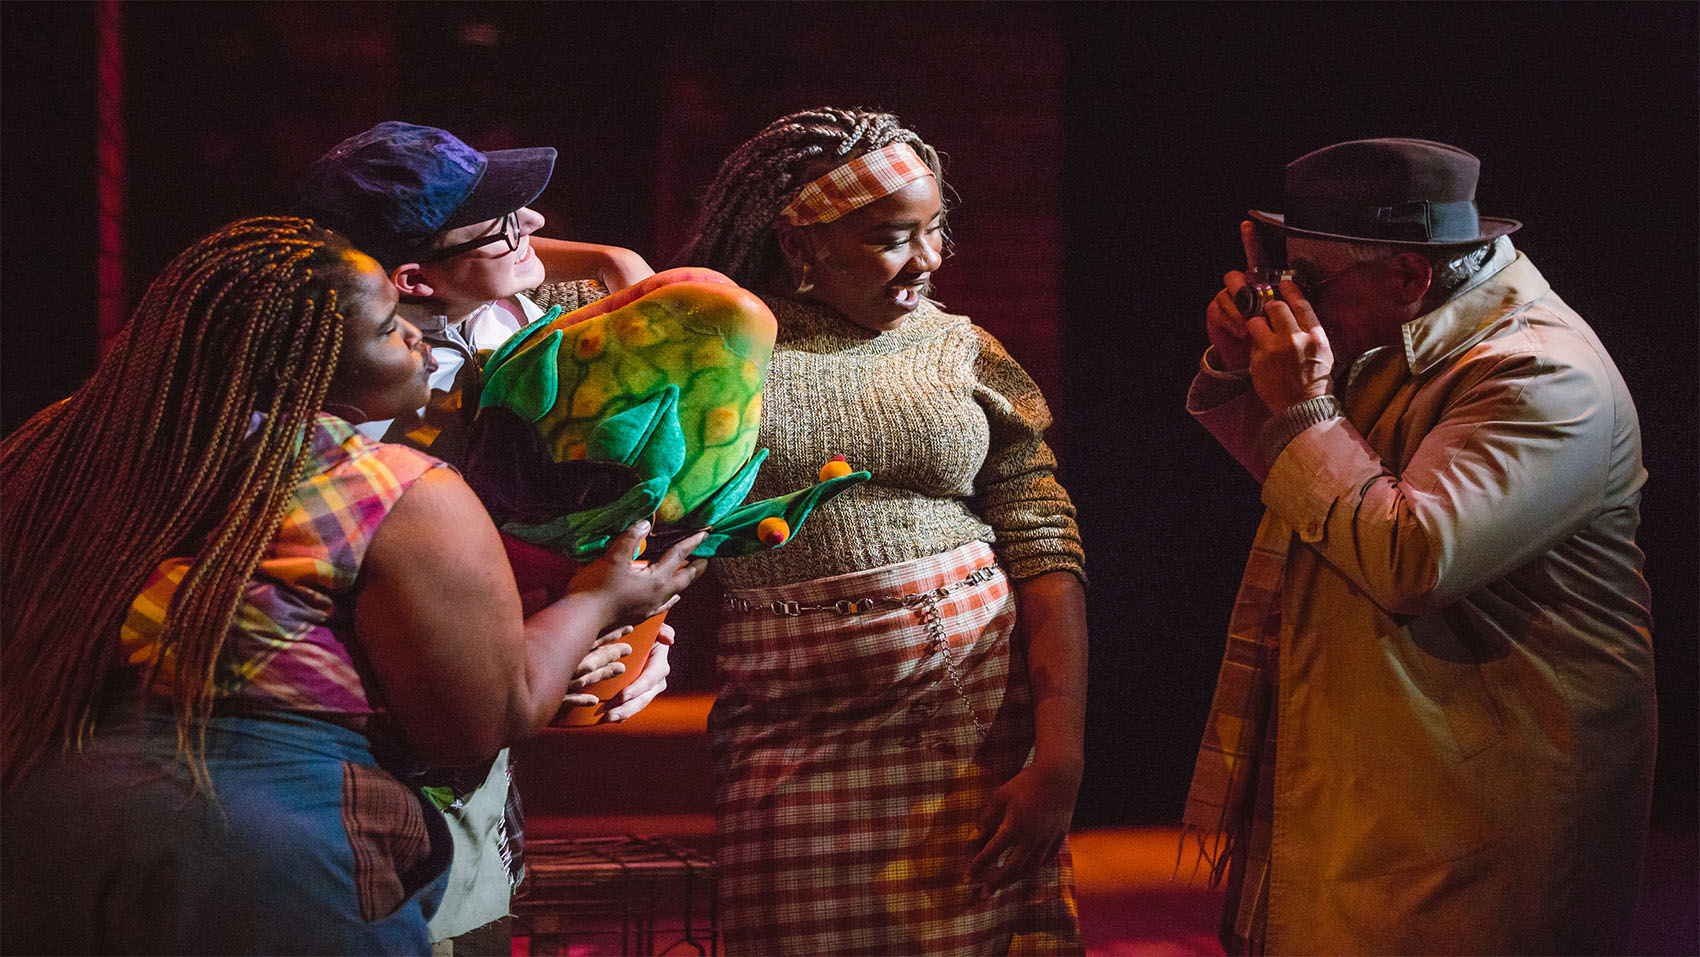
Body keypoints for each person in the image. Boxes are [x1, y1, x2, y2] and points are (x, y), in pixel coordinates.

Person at [0, 218, 706, 954]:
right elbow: (480, 720)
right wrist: (600, 598)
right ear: (301, 363)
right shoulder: (387, 489)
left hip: (43, 829)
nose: (415, 337)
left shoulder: (53, 452)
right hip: (268, 855)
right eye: (387, 325)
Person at [1182, 138, 1656, 954]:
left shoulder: (1541, 372)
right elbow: (1320, 497)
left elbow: (1411, 556)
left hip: (1481, 814)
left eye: (1311, 281)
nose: (1296, 303)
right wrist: (1243, 372)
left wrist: (1301, 405)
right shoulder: (1407, 335)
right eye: (1282, 275)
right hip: (1403, 781)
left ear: (1407, 275)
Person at [672, 107, 1089, 955]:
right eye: (892, 237)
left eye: (936, 230)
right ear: (801, 245)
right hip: (792, 730)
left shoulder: (961, 348)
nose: (927, 261)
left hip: (972, 728)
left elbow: (1045, 541)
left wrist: (1062, 755)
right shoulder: (720, 347)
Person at [296, 121, 667, 954]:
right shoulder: (371, 399)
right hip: (391, 712)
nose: (532, 225)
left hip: (495, 681)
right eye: (503, 221)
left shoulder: (507, 314)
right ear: (411, 284)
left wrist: (615, 632)